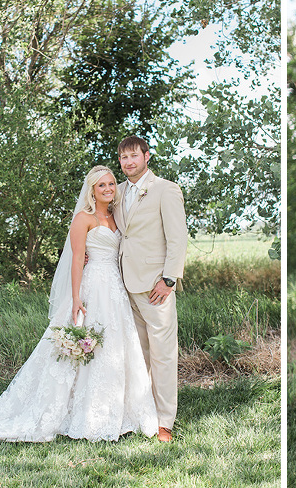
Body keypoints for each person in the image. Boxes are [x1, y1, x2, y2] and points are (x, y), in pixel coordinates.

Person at [0, 165, 160, 442]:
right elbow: (76, 259)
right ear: (92, 190)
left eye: (111, 184)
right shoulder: (83, 218)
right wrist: (76, 298)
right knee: (87, 343)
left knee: (116, 345)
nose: (108, 189)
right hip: (92, 286)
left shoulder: (117, 216)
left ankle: (117, 409)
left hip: (115, 287)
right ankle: (83, 413)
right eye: (101, 185)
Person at [112, 136, 188, 443]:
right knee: (136, 354)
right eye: (123, 157)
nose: (128, 162)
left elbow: (178, 237)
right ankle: (141, 413)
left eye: (134, 156)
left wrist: (168, 279)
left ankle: (164, 421)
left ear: (146, 156)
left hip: (155, 285)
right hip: (122, 283)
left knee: (163, 355)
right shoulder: (116, 191)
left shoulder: (165, 189)